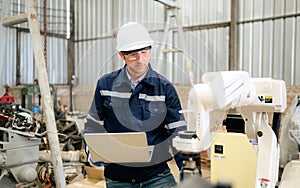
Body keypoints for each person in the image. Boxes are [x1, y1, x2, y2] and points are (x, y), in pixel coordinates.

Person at [83, 22, 187, 188]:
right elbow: (93, 126)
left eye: (144, 53)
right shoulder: (105, 85)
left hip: (156, 176)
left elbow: (178, 131)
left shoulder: (164, 88)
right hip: (118, 177)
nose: (140, 60)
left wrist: (186, 173)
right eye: (133, 55)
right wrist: (93, 154)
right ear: (121, 55)